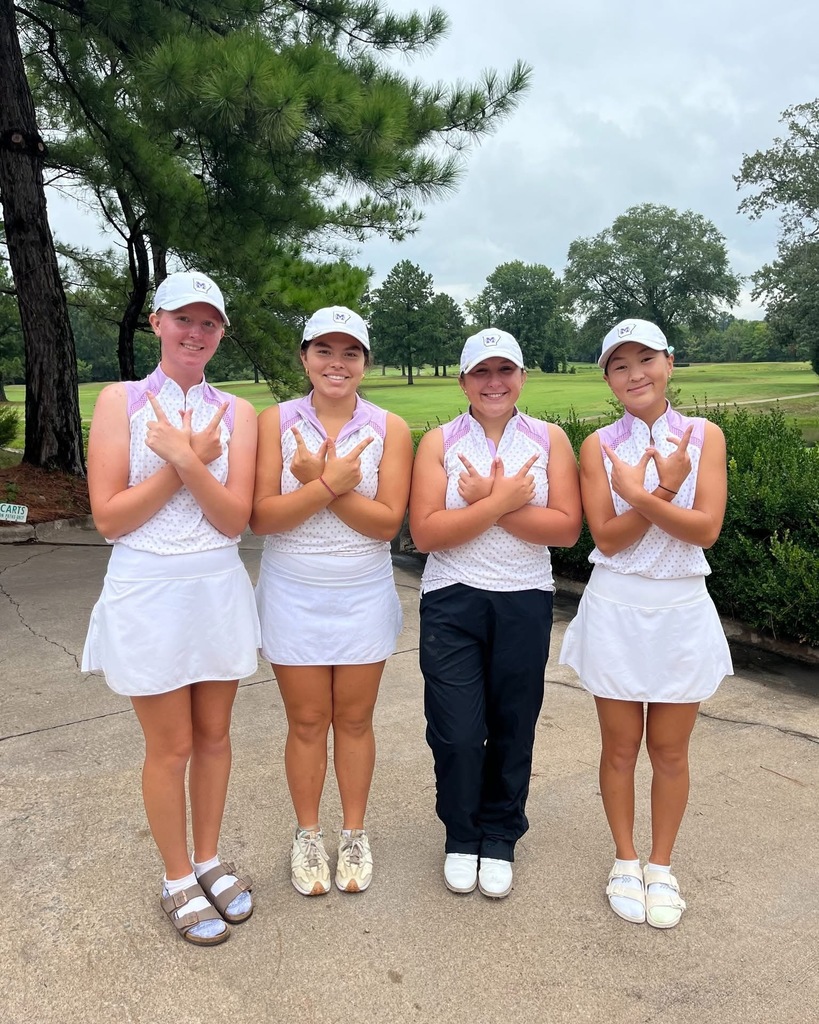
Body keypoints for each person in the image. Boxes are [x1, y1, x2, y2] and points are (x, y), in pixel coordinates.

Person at [82, 271, 260, 946]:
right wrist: (184, 463)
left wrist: (186, 458)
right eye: (183, 318)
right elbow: (109, 518)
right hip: (147, 588)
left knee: (215, 736)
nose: (196, 333)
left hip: (214, 586)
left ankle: (209, 858)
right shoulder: (119, 401)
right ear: (155, 322)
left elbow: (231, 519)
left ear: (220, 332)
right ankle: (177, 875)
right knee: (172, 744)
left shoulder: (236, 413)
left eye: (209, 322)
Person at [559, 317, 733, 929]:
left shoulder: (705, 436)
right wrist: (658, 493)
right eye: (620, 365)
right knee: (620, 746)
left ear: (670, 362)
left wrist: (647, 493)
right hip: (616, 604)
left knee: (670, 751)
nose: (636, 375)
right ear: (607, 377)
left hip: (681, 605)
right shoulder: (598, 445)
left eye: (646, 360)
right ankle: (625, 859)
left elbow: (705, 528)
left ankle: (661, 865)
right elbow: (606, 537)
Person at [409, 328, 582, 899]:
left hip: (524, 596)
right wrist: (504, 501)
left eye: (504, 370)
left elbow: (564, 528)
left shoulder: (550, 439)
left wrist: (488, 502)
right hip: (452, 597)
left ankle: (500, 835)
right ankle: (461, 833)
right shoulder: (438, 443)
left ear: (522, 377)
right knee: (456, 732)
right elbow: (428, 533)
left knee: (513, 723)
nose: (493, 382)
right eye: (481, 372)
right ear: (462, 381)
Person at [251, 306, 413, 897]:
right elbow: (262, 516)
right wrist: (329, 484)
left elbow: (386, 523)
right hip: (293, 588)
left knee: (354, 718)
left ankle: (354, 831)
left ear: (365, 362)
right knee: (306, 720)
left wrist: (320, 482)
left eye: (350, 353)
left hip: (362, 590)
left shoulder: (388, 428)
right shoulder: (277, 423)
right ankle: (306, 834)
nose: (336, 364)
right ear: (304, 357)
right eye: (324, 351)